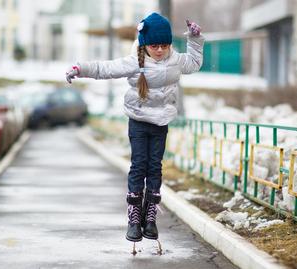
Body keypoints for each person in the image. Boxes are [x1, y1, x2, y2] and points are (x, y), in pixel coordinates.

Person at [66, 12, 204, 242]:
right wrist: (80, 69)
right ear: (144, 45)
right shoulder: (134, 61)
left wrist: (194, 39)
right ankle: (133, 218)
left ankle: (149, 217)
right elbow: (105, 68)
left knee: (155, 167)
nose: (159, 50)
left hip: (161, 121)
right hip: (139, 121)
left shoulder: (176, 60)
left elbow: (195, 63)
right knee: (139, 165)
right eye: (154, 46)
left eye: (164, 45)